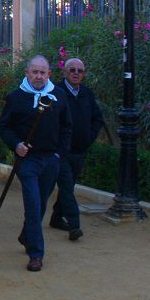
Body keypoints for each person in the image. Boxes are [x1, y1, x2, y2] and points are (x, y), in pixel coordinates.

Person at [0, 55, 72, 272]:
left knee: (40, 203)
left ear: (49, 74)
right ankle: (36, 254)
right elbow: (4, 127)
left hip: (51, 160)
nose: (39, 76)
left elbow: (67, 127)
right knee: (33, 203)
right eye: (35, 72)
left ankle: (26, 235)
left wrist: (60, 154)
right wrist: (16, 144)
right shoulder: (16, 97)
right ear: (27, 73)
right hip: (27, 161)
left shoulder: (59, 95)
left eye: (43, 72)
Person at [49, 57, 104, 241]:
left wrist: (89, 137)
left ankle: (56, 218)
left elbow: (97, 118)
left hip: (80, 150)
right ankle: (75, 226)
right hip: (61, 151)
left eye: (79, 71)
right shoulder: (55, 92)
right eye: (72, 70)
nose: (76, 73)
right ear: (64, 72)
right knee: (66, 187)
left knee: (69, 185)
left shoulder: (87, 93)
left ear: (84, 74)